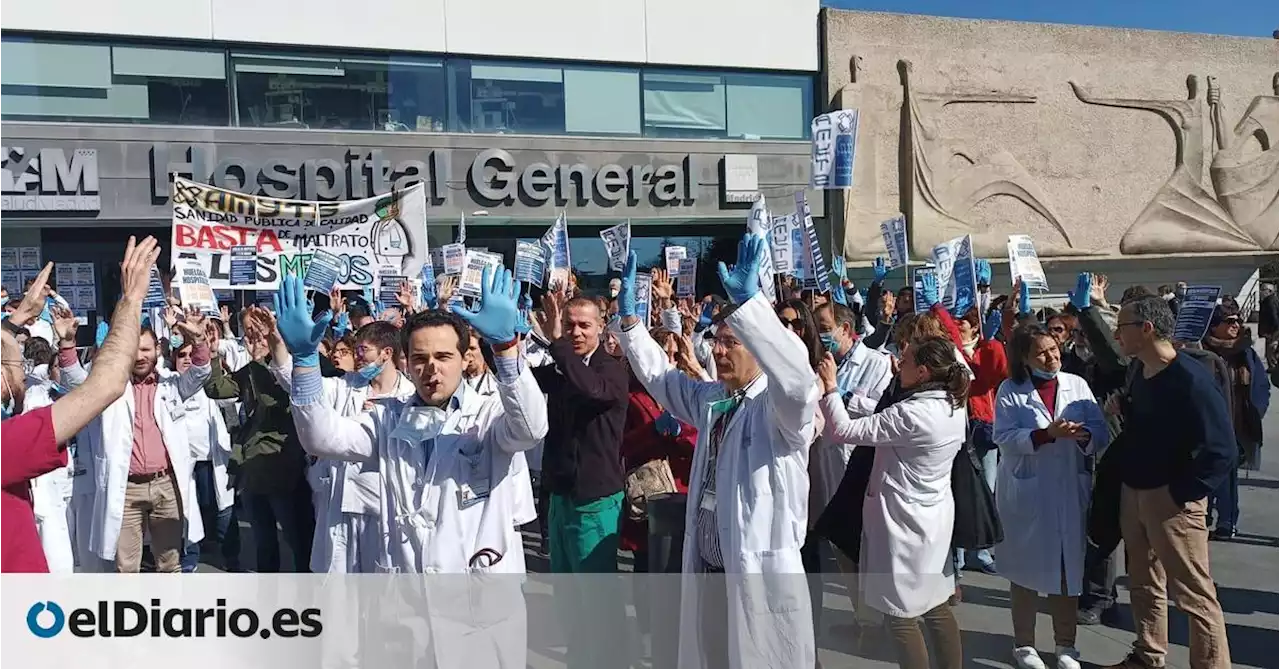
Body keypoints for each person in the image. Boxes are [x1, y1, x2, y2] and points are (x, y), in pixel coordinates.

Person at [280, 267, 544, 665]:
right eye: (420, 358)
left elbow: (530, 428)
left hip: (477, 604)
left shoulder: (489, 415)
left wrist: (507, 349)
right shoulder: (387, 419)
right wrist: (303, 362)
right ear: (405, 362)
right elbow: (321, 438)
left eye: (443, 356)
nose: (431, 369)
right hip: (406, 605)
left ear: (464, 356)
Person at [616, 235, 819, 669]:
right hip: (710, 577)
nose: (719, 350)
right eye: (719, 341)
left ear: (761, 350)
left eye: (733, 342)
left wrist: (753, 310)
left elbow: (800, 384)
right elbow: (664, 381)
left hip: (755, 582)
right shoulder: (716, 400)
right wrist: (631, 324)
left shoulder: (778, 410)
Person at [0, 237, 160, 573]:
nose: (23, 372)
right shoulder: (7, 445)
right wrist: (131, 298)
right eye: (17, 364)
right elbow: (108, 383)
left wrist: (13, 323)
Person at [818, 336, 968, 669]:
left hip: (902, 522)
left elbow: (843, 430)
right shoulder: (953, 402)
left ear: (924, 371)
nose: (898, 365)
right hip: (932, 516)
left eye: (906, 361)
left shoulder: (912, 413)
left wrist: (830, 387)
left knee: (900, 614)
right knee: (935, 604)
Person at [1103, 296, 1234, 669]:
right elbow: (1154, 425)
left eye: (1123, 327)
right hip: (1136, 492)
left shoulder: (1191, 380)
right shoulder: (1140, 372)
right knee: (1143, 583)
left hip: (1173, 501)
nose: (1117, 335)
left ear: (1146, 329)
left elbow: (1222, 449)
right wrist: (1123, 409)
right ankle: (1148, 654)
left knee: (1194, 593)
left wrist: (1182, 494)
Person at [58, 298, 212, 573]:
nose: (140, 356)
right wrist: (68, 344)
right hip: (126, 488)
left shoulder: (172, 384)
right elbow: (75, 384)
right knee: (127, 568)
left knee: (170, 565)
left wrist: (199, 340)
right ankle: (132, 615)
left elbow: (200, 373)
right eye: (133, 350)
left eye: (146, 349)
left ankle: (170, 614)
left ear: (158, 350)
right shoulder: (109, 387)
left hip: (166, 485)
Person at [994, 324, 1107, 669]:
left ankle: (1065, 645)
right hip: (1028, 489)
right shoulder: (1010, 390)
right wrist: (1045, 434)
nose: (1052, 357)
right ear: (1025, 359)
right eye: (1042, 352)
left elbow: (1100, 432)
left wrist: (1083, 434)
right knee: (1024, 570)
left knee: (1066, 570)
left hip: (1068, 489)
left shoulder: (1078, 385)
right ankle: (1024, 644)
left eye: (1055, 349)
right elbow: (1004, 437)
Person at [533, 286, 630, 669]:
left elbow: (591, 390)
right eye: (569, 324)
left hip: (595, 502)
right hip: (561, 497)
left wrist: (556, 344)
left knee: (597, 599)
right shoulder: (562, 366)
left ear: (600, 327)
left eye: (584, 325)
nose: (575, 332)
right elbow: (522, 381)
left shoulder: (611, 369)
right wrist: (498, 345)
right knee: (568, 595)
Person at [203, 306, 314, 573]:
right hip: (252, 470)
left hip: (282, 469)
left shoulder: (289, 368)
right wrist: (214, 353)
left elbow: (275, 404)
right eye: (250, 333)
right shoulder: (253, 368)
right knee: (264, 542)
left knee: (298, 540)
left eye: (260, 333)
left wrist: (266, 360)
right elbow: (218, 389)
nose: (255, 339)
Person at [169, 340, 239, 573]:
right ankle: (190, 558)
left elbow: (231, 397)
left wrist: (214, 353)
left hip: (213, 460)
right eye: (181, 355)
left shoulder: (211, 383)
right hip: (184, 463)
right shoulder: (168, 385)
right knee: (189, 512)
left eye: (191, 354)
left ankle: (232, 558)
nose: (187, 359)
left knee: (223, 511)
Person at [1200, 303, 1269, 540]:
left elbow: (1261, 385)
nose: (1236, 325)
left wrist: (1257, 409)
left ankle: (1227, 522)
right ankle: (1204, 515)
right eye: (1229, 321)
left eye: (1238, 321)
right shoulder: (1203, 351)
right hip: (1209, 425)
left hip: (1239, 424)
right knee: (1206, 472)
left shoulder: (1245, 351)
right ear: (1214, 326)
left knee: (1229, 476)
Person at [1258, 283, 1280, 370]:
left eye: (1263, 290)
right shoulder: (1269, 301)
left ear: (1269, 291)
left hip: (1272, 331)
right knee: (1271, 350)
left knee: (1270, 351)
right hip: (1272, 331)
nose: (1261, 292)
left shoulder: (1270, 302)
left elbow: (1273, 317)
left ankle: (1274, 368)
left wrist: (1272, 332)